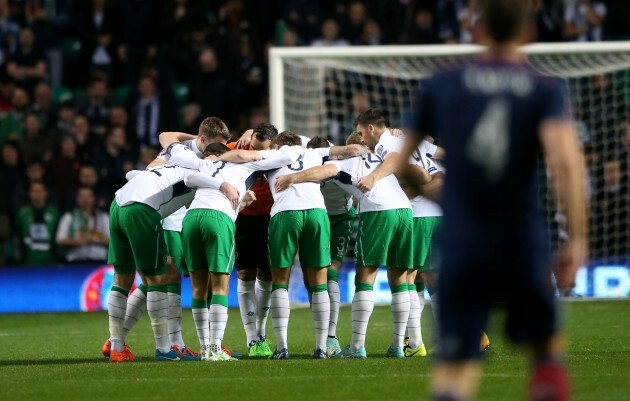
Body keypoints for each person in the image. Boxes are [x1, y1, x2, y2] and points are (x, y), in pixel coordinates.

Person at [398, 1, 587, 400]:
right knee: (546, 356)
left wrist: (431, 189)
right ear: (529, 33)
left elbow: (399, 162)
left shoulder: (443, 84)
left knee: (455, 370)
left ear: (478, 32)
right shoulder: (543, 87)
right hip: (520, 237)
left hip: (464, 241)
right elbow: (567, 163)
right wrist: (577, 238)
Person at [274, 135, 414, 359]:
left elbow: (326, 169)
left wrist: (293, 177)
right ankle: (398, 345)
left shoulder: (335, 161)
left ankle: (344, 342)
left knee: (352, 276)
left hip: (356, 215)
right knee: (400, 278)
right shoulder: (374, 156)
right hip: (401, 211)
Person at [105, 143, 239, 362]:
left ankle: (117, 348)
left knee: (122, 277)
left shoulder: (175, 160)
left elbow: (132, 173)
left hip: (118, 204)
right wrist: (223, 184)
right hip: (142, 210)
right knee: (158, 278)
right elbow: (190, 180)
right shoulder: (202, 170)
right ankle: (164, 349)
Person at [170, 142, 294, 361]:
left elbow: (184, 172)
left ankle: (205, 348)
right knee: (220, 286)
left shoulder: (202, 163)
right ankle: (216, 349)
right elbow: (285, 158)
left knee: (198, 288)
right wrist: (253, 154)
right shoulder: (242, 165)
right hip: (217, 219)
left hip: (191, 219)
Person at [265, 131, 368, 359]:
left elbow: (245, 157)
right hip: (317, 213)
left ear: (278, 144)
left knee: (280, 281)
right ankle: (322, 346)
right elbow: (352, 151)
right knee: (319, 280)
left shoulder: (273, 156)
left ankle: (282, 347)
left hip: (287, 213)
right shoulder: (316, 154)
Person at [227, 123, 278, 358]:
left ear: (273, 146)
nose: (255, 153)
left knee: (267, 273)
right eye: (253, 146)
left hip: (269, 219)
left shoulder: (280, 155)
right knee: (246, 274)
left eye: (261, 150)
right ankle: (251, 339)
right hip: (242, 218)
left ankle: (261, 332)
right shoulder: (234, 149)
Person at [56, 187, 109, 263]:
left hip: (99, 262)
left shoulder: (103, 217)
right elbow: (59, 240)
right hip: (75, 262)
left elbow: (113, 241)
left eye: (88, 197)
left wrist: (94, 239)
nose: (85, 200)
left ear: (93, 198)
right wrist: (77, 242)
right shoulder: (69, 217)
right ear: (77, 199)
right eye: (82, 196)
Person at [14, 181, 59, 265]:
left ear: (45, 194)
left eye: (40, 191)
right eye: (34, 191)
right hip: (28, 261)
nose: (37, 194)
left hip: (51, 261)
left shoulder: (54, 213)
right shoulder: (22, 214)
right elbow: (17, 236)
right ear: (29, 194)